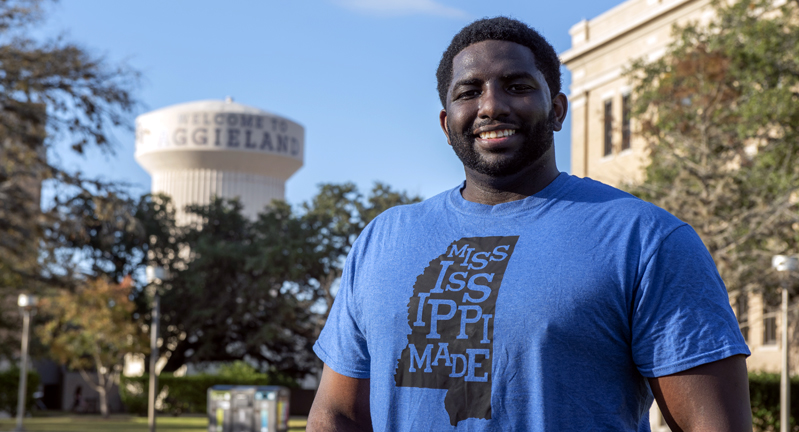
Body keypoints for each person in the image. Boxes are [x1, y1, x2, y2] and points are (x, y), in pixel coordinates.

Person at [307, 17, 752, 432]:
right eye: (468, 92)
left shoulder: (644, 239)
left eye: (516, 86)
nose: (491, 106)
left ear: (558, 110)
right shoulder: (383, 239)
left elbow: (711, 424)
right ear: (446, 124)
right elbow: (336, 412)